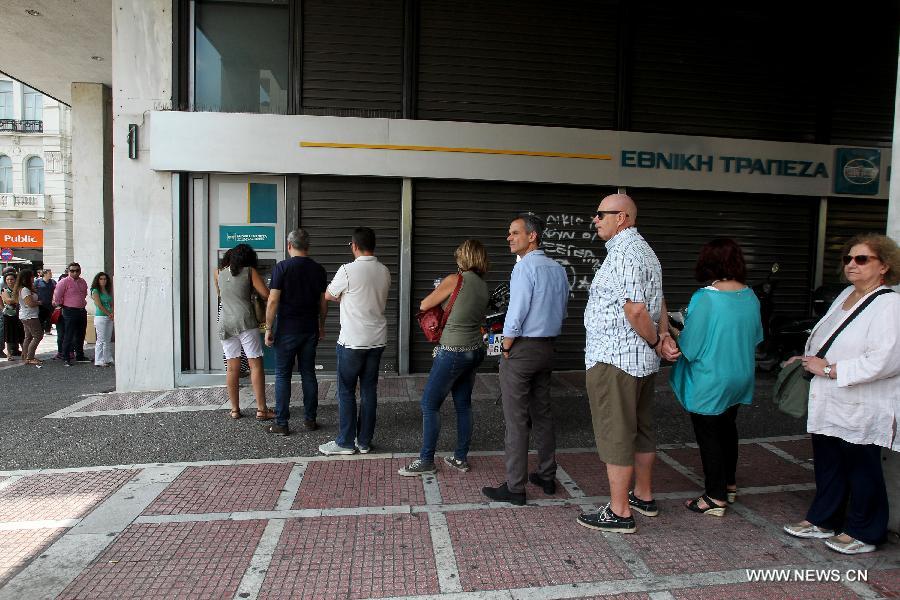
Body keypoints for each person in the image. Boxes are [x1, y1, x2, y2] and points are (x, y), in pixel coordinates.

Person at [783, 233, 900, 555]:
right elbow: (829, 335)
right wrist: (807, 358)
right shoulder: (848, 294)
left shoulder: (890, 305)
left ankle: (865, 530)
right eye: (848, 258)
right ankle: (824, 519)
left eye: (862, 259)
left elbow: (886, 359)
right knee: (829, 462)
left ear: (884, 266)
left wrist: (832, 370)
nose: (851, 265)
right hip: (831, 400)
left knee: (862, 467)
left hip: (862, 403)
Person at [577, 193, 679, 534]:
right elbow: (658, 299)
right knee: (642, 430)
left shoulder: (624, 252)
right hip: (641, 361)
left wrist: (655, 339)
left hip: (615, 359)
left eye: (601, 214)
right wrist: (662, 336)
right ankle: (642, 495)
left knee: (616, 433)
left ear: (622, 217)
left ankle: (619, 512)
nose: (595, 220)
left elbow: (636, 308)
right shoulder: (646, 251)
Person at [669, 239, 762, 516]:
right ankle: (729, 484)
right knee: (728, 429)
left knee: (708, 434)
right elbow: (757, 336)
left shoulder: (705, 297)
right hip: (741, 375)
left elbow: (691, 347)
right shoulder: (750, 295)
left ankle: (715, 496)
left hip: (711, 379)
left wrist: (674, 331)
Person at [482, 214, 569, 505]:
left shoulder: (523, 269)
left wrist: (506, 345)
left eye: (515, 232)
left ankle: (515, 487)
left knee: (516, 419)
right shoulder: (557, 269)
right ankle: (546, 475)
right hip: (547, 347)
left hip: (522, 349)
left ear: (532, 236)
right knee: (542, 414)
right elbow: (563, 308)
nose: (509, 237)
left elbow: (516, 312)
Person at [399, 240, 491, 476]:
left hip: (453, 350)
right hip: (474, 351)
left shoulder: (454, 280)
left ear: (465, 258)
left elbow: (425, 303)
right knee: (463, 405)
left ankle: (426, 460)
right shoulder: (482, 285)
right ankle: (460, 458)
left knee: (429, 404)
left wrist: (442, 291)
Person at [318, 227, 390, 456]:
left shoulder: (347, 270)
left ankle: (345, 442)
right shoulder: (384, 270)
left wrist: (345, 297)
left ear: (354, 245)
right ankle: (364, 442)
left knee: (347, 390)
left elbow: (329, 294)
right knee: (369, 391)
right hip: (377, 340)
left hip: (352, 341)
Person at [264, 229, 328, 436]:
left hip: (287, 330)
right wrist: (321, 325)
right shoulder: (318, 270)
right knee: (308, 373)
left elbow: (273, 300)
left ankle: (282, 423)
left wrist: (268, 328)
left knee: (283, 375)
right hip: (309, 329)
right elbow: (323, 303)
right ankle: (310, 420)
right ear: (307, 247)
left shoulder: (281, 268)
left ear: (289, 245)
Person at [214, 244, 272, 421]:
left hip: (225, 323)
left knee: (232, 367)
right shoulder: (250, 272)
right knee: (255, 364)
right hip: (245, 321)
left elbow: (221, 295)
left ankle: (234, 410)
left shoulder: (218, 273)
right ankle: (261, 410)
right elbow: (266, 294)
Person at [53, 263, 89, 366]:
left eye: (77, 270)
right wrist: (62, 305)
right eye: (72, 270)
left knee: (81, 334)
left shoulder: (83, 282)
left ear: (80, 271)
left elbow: (84, 294)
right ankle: (66, 357)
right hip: (69, 310)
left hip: (81, 310)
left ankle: (80, 356)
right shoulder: (63, 282)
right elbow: (57, 296)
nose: (75, 272)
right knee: (68, 334)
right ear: (68, 271)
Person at [14, 269, 43, 366]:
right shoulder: (25, 290)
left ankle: (25, 355)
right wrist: (39, 302)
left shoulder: (24, 288)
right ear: (27, 278)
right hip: (30, 316)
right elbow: (30, 303)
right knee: (38, 335)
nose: (33, 278)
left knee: (28, 336)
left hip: (26, 315)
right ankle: (30, 357)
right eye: (31, 276)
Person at [90, 272, 115, 367]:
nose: (103, 281)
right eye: (101, 279)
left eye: (105, 279)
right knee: (101, 339)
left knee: (107, 339)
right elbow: (99, 305)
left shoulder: (107, 290)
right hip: (101, 316)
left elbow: (111, 303)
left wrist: (112, 312)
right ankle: (99, 360)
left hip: (109, 316)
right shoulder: (95, 291)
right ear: (98, 280)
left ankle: (107, 358)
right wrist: (109, 314)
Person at [2, 269, 25, 360]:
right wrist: (17, 300)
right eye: (8, 279)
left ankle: (25, 352)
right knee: (9, 336)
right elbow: (8, 301)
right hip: (9, 315)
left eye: (12, 279)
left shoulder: (20, 289)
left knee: (22, 334)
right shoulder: (4, 290)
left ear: (15, 280)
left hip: (20, 315)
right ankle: (9, 354)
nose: (10, 281)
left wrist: (15, 300)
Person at [35, 269, 56, 335]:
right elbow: (33, 290)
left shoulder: (53, 282)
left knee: (49, 318)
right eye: (49, 273)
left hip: (50, 303)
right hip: (41, 303)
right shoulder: (38, 281)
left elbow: (56, 291)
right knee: (40, 318)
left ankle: (47, 330)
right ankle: (40, 330)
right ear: (45, 274)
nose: (51, 274)